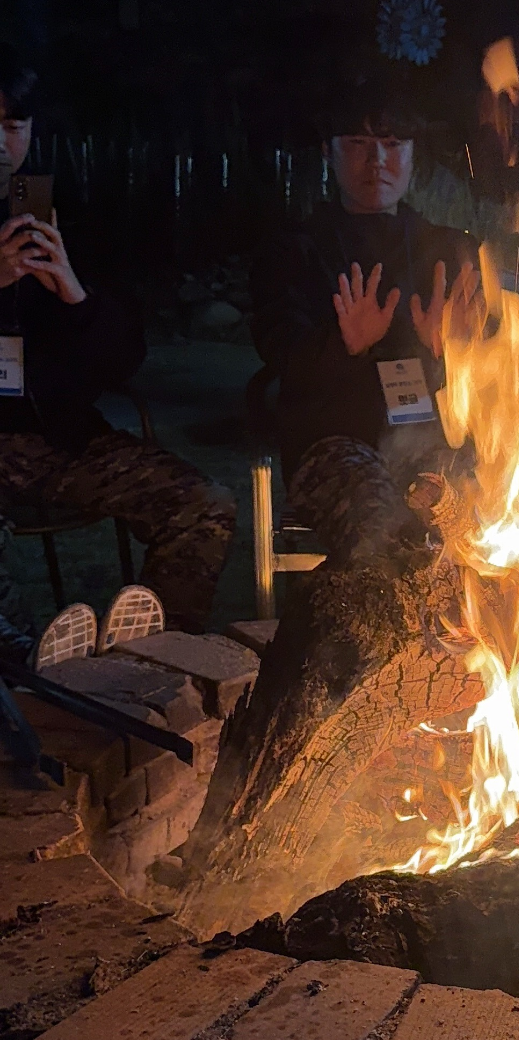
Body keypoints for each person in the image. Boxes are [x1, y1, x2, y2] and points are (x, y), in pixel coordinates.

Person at [0, 45, 236, 655]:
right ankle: (30, 670)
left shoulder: (64, 214)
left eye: (11, 126)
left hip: (64, 440)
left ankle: (156, 660)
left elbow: (125, 359)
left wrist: (76, 295)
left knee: (203, 504)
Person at [250, 72, 479, 565]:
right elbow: (277, 350)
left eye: (392, 144)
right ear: (330, 152)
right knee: (385, 529)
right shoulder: (293, 249)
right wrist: (344, 345)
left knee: (489, 516)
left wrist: (450, 350)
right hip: (332, 446)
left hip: (429, 439)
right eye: (357, 143)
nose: (376, 161)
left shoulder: (447, 249)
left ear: (414, 156)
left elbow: (500, 362)